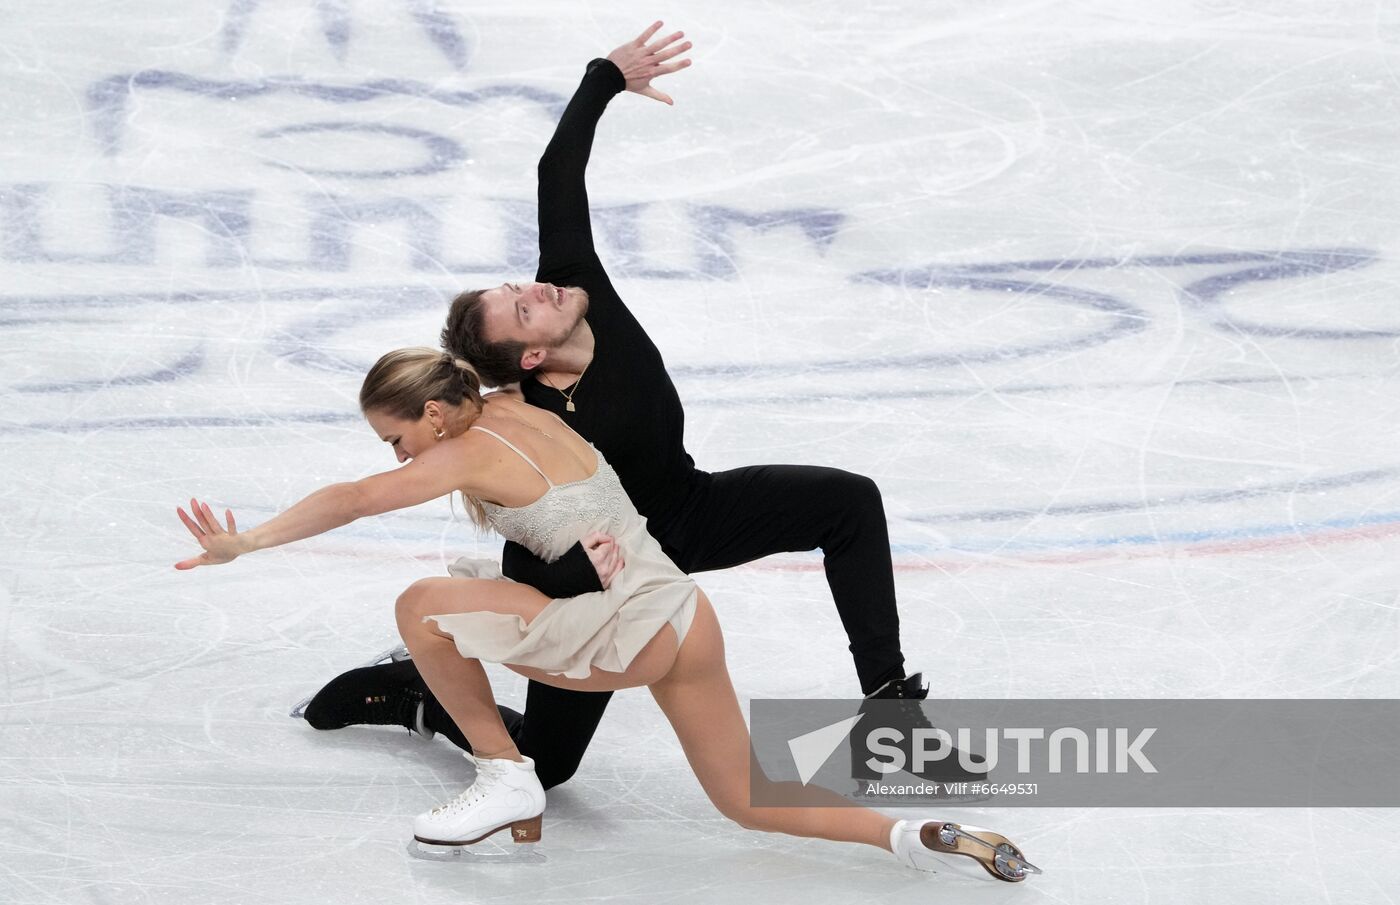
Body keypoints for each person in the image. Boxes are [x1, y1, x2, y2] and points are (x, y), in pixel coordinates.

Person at [304, 21, 982, 796]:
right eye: (522, 308)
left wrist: (607, 75)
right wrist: (565, 584)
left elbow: (555, 170)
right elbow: (441, 467)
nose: (537, 290)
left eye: (518, 286)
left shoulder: (576, 287)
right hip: (599, 568)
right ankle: (418, 693)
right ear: (528, 359)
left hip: (690, 509)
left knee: (848, 503)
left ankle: (890, 714)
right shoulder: (516, 420)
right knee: (548, 768)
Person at [173, 346, 1039, 881]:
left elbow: (357, 497)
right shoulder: (520, 404)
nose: (397, 454)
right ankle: (919, 837)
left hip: (623, 633)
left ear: (434, 413)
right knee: (745, 796)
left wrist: (246, 544)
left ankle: (505, 773)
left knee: (422, 606)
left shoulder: (462, 449)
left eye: (397, 435)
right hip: (681, 614)